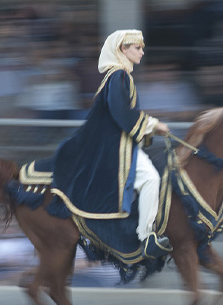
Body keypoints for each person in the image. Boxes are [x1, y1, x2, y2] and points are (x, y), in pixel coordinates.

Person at [49, 29, 171, 256]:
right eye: (138, 48)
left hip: (117, 144)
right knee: (151, 178)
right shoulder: (119, 76)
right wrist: (154, 125)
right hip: (113, 149)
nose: (142, 52)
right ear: (123, 50)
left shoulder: (119, 76)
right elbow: (121, 113)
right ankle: (146, 237)